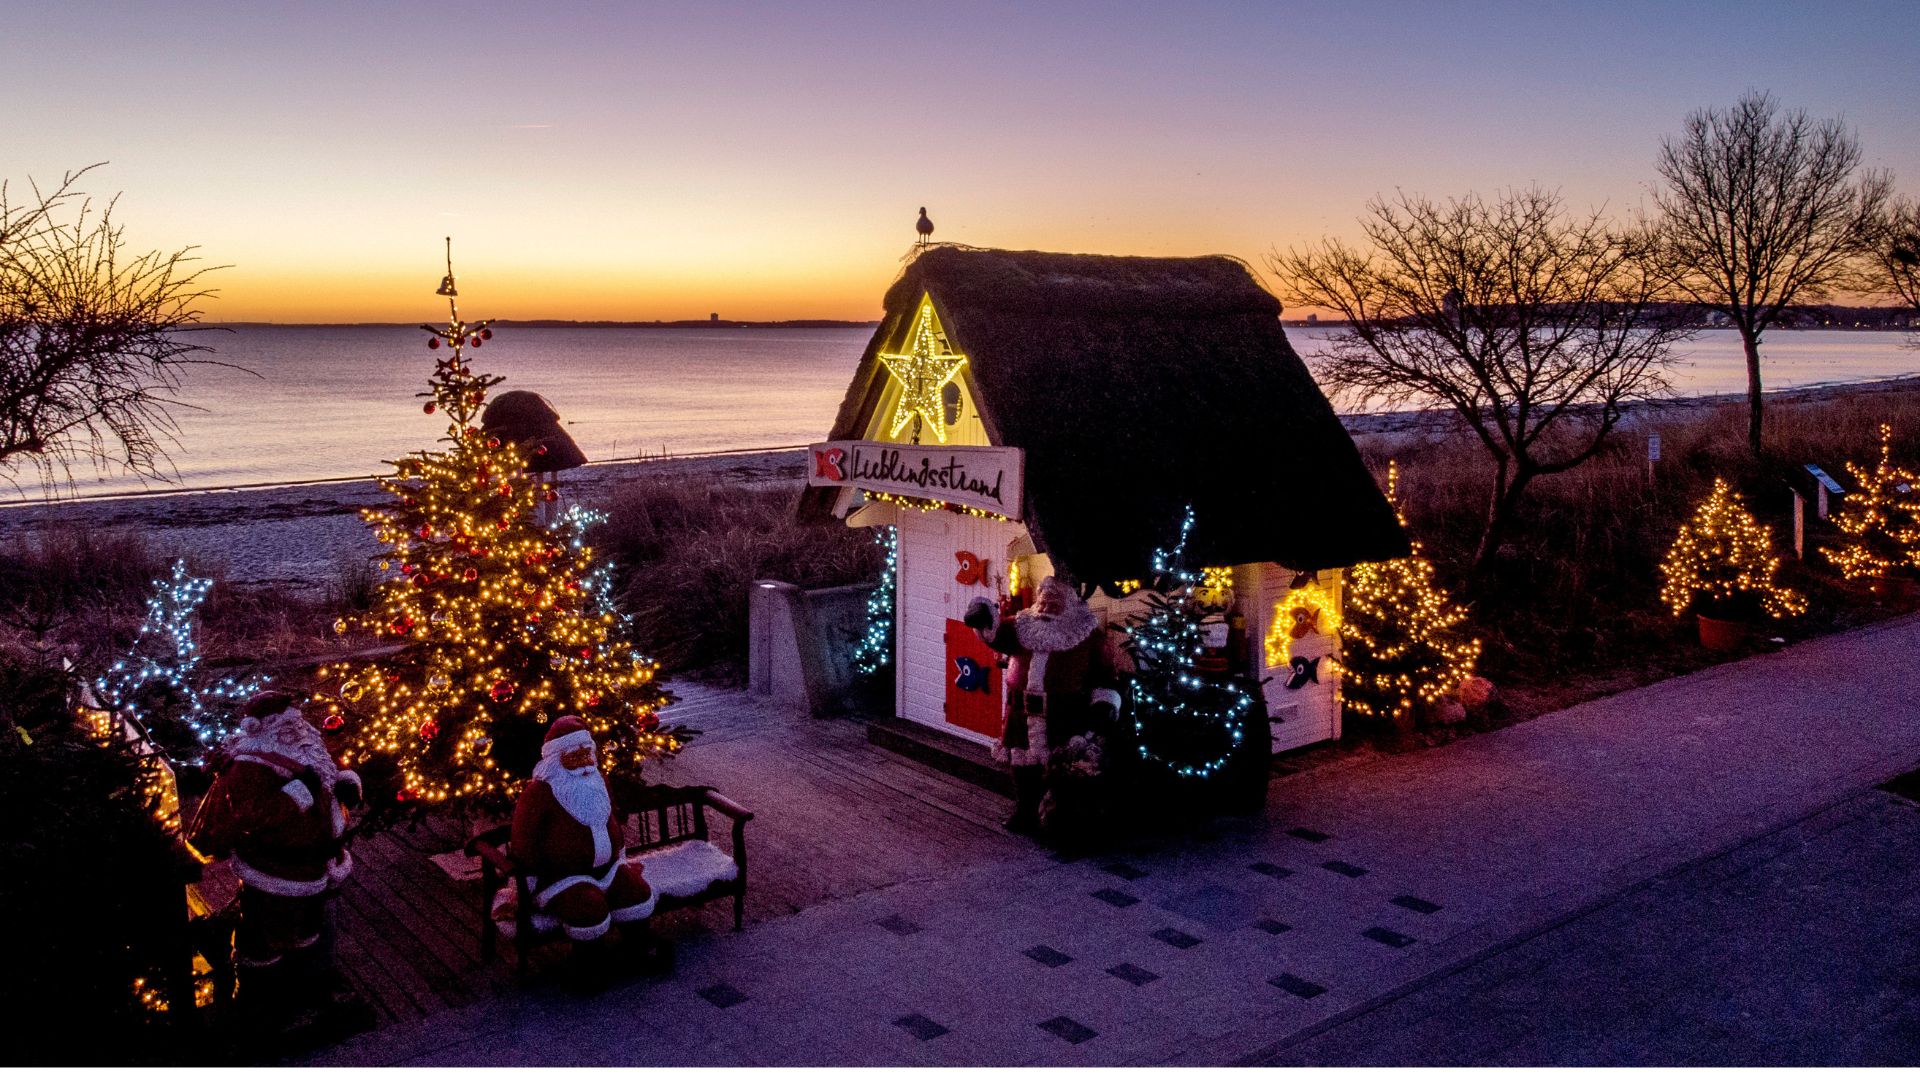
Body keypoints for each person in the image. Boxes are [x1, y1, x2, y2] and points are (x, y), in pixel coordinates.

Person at [189, 690, 362, 1016]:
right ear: (262, 727)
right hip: (274, 872)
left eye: (294, 719)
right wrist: (301, 792)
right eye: (285, 721)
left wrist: (344, 784)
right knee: (264, 940)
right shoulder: (248, 765)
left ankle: (302, 991)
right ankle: (259, 1003)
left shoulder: (302, 746)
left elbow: (325, 774)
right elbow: (253, 815)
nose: (295, 726)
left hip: (313, 867)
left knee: (306, 932)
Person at [965, 576, 1122, 835]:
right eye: (1045, 601)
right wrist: (983, 616)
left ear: (1070, 604)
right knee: (1022, 767)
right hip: (1021, 713)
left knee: (1059, 767)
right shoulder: (1021, 626)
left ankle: (1056, 817)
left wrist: (1104, 704)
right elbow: (994, 634)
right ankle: (1025, 811)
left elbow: (1105, 675)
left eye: (1055, 602)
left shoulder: (1086, 636)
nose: (1048, 606)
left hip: (1063, 714)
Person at [509, 716, 656, 949]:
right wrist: (529, 881)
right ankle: (590, 963)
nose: (584, 763)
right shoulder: (539, 793)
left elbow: (612, 815)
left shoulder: (599, 780)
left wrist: (619, 852)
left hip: (608, 869)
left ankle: (637, 948)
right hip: (562, 878)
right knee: (588, 907)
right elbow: (523, 840)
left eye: (587, 754)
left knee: (635, 891)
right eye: (574, 757)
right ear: (556, 758)